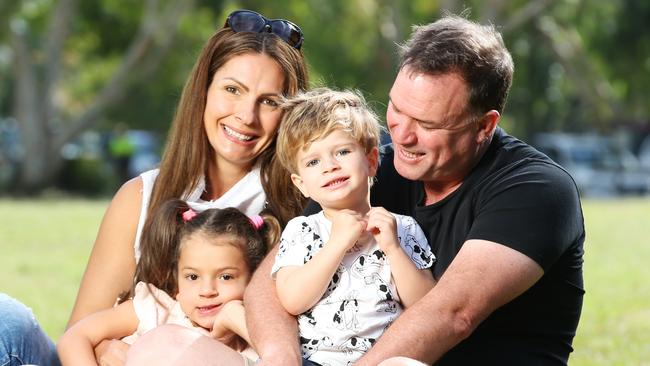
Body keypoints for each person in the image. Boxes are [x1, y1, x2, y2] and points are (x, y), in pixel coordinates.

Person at [245, 14, 585, 366]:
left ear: (484, 125)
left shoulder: (535, 189)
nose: (402, 134)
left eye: (426, 123)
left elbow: (453, 314)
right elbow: (268, 286)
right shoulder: (374, 169)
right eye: (397, 108)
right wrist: (280, 358)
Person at [0, 8, 308, 366]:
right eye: (232, 90)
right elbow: (81, 331)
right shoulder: (141, 196)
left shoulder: (298, 208)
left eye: (269, 101)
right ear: (203, 91)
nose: (246, 116)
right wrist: (105, 348)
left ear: (290, 114)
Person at [271, 88, 436, 365]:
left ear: (371, 161)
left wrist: (393, 249)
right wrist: (336, 244)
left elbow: (426, 306)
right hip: (313, 360)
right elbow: (292, 299)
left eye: (343, 151)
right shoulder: (303, 230)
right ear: (301, 184)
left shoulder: (402, 227)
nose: (330, 166)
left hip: (382, 359)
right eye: (313, 161)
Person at [58, 200, 279, 366]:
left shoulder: (257, 339)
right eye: (192, 277)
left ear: (254, 279)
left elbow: (280, 358)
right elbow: (75, 338)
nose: (207, 291)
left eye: (225, 277)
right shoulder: (157, 309)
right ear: (177, 284)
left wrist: (236, 318)